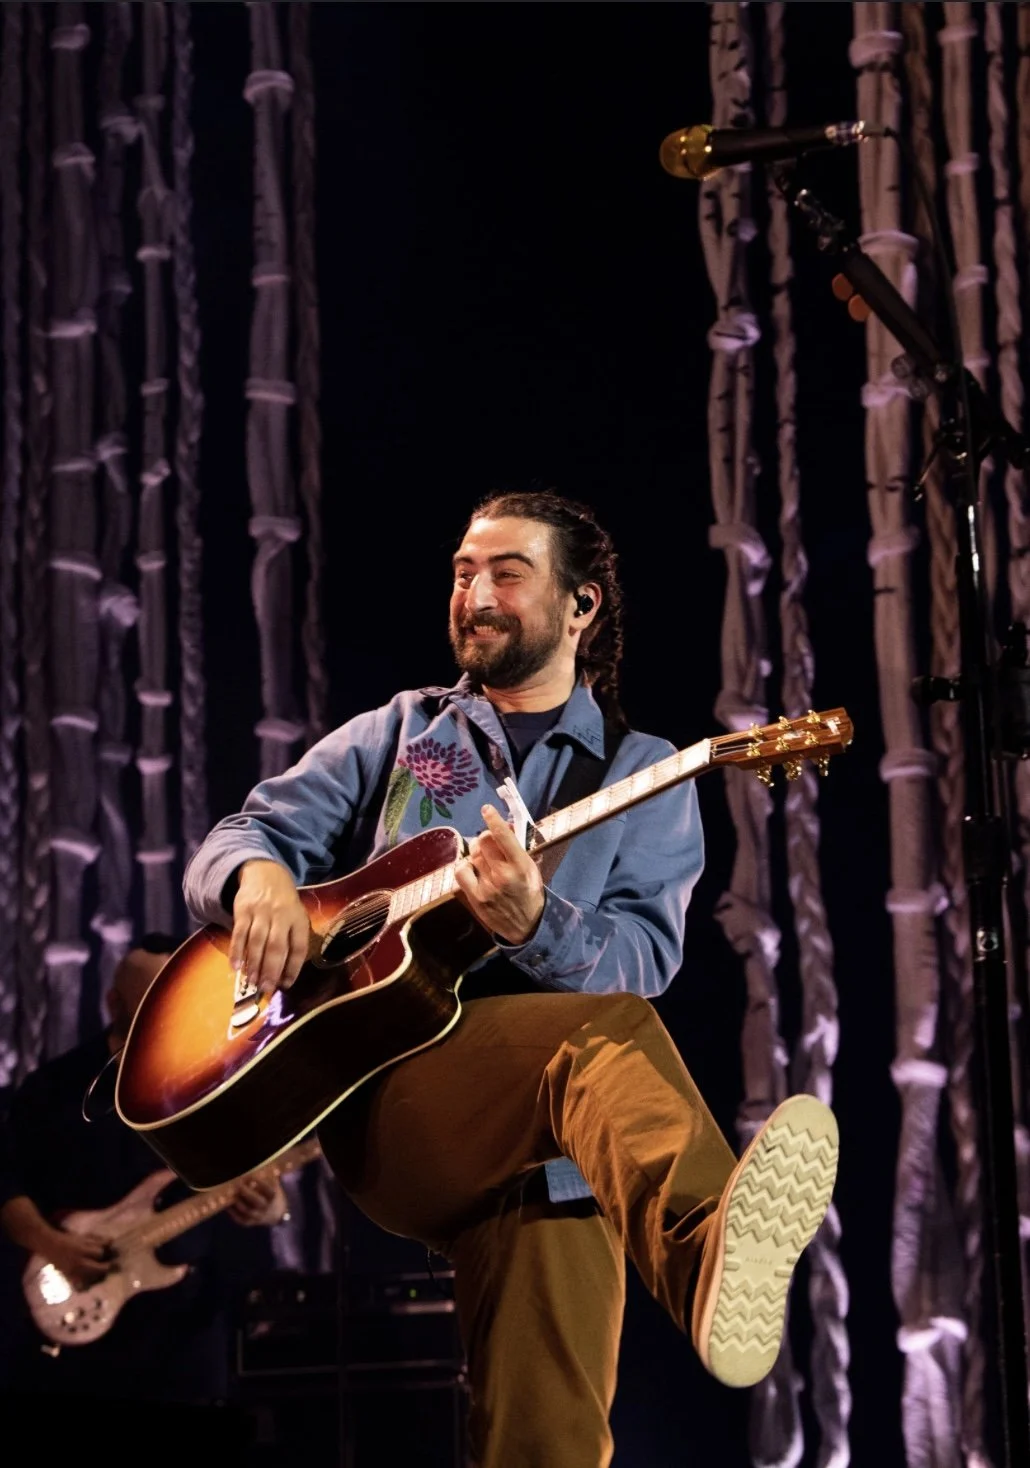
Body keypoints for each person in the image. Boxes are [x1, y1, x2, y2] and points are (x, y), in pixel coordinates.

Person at [182, 489, 840, 1467]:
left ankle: (697, 1272)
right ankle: (704, 1249)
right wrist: (260, 878)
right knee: (593, 1038)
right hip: (390, 1096)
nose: (473, 593)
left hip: (561, 1150)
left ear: (581, 607)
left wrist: (538, 923)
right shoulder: (403, 731)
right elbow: (237, 837)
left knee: (550, 1440)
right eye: (461, 571)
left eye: (505, 572)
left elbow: (643, 961)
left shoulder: (647, 771)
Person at [0, 933, 289, 1409]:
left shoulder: (215, 1083)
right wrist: (52, 1244)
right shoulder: (54, 1089)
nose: (168, 1010)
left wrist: (272, 1209)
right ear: (115, 1002)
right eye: (151, 998)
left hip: (187, 1340)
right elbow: (7, 1183)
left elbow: (256, 1185)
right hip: (81, 1342)